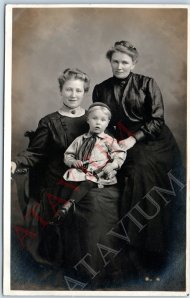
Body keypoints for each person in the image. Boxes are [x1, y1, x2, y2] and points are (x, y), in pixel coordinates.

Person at [92, 41, 185, 281]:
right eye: (115, 61)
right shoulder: (101, 89)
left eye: (125, 62)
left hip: (153, 142)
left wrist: (134, 139)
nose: (119, 66)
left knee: (140, 173)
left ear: (134, 63)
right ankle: (125, 254)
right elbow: (101, 121)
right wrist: (111, 147)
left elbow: (157, 120)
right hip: (120, 141)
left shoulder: (147, 84)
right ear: (110, 62)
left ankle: (147, 253)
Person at [11, 68, 90, 266]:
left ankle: (91, 261)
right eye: (69, 90)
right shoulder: (49, 122)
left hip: (88, 180)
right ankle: (67, 263)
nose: (73, 95)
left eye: (78, 91)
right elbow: (35, 153)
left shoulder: (94, 119)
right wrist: (15, 162)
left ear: (85, 92)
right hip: (57, 181)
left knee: (98, 204)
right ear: (61, 91)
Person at [51, 102, 126, 225]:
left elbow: (119, 154)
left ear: (107, 123)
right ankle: (57, 211)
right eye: (94, 118)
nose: (98, 122)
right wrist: (74, 161)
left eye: (102, 120)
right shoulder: (80, 139)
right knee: (65, 182)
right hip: (81, 170)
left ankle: (68, 205)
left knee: (88, 183)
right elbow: (68, 155)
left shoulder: (109, 141)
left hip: (99, 173)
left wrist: (112, 165)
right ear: (88, 120)